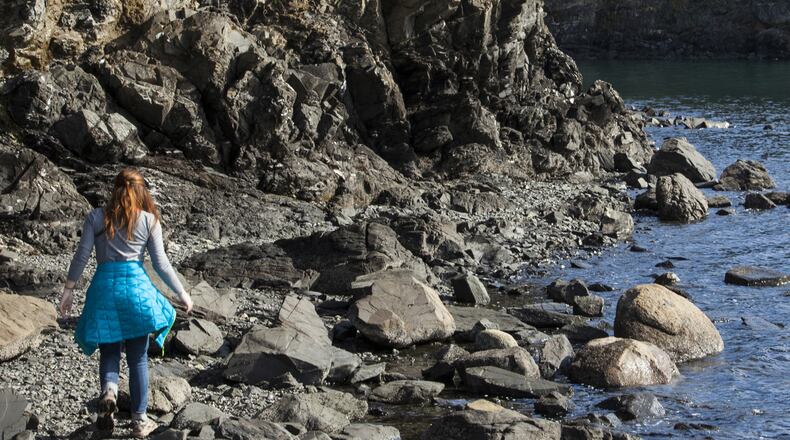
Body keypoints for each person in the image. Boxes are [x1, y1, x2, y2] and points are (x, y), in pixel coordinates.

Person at [59, 168, 193, 438]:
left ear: (115, 188)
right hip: (136, 292)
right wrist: (181, 293)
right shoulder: (148, 220)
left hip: (104, 290)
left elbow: (82, 255)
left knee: (109, 351)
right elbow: (161, 263)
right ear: (141, 191)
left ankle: (109, 391)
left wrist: (69, 289)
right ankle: (139, 421)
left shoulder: (96, 217)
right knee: (138, 359)